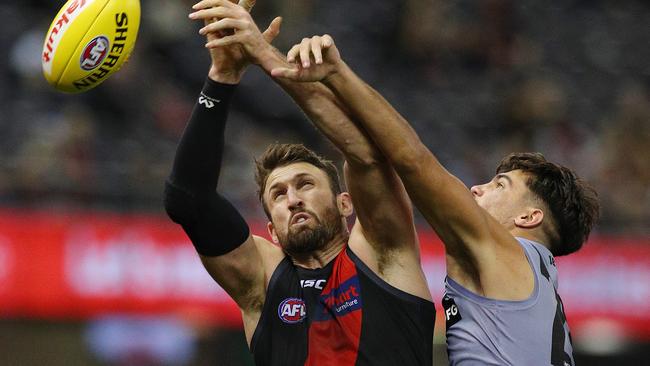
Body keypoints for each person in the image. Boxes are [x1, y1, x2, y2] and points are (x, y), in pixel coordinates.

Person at [263, 35, 600, 365]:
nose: (476, 189)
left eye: (500, 185)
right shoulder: (538, 287)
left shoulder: (502, 252)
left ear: (529, 217)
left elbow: (411, 159)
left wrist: (336, 72)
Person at [164, 1, 435, 365]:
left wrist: (265, 56)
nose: (292, 198)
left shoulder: (382, 256)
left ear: (345, 203)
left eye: (305, 184)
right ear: (272, 232)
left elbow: (368, 156)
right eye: (278, 195)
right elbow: (188, 199)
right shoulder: (263, 283)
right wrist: (222, 78)